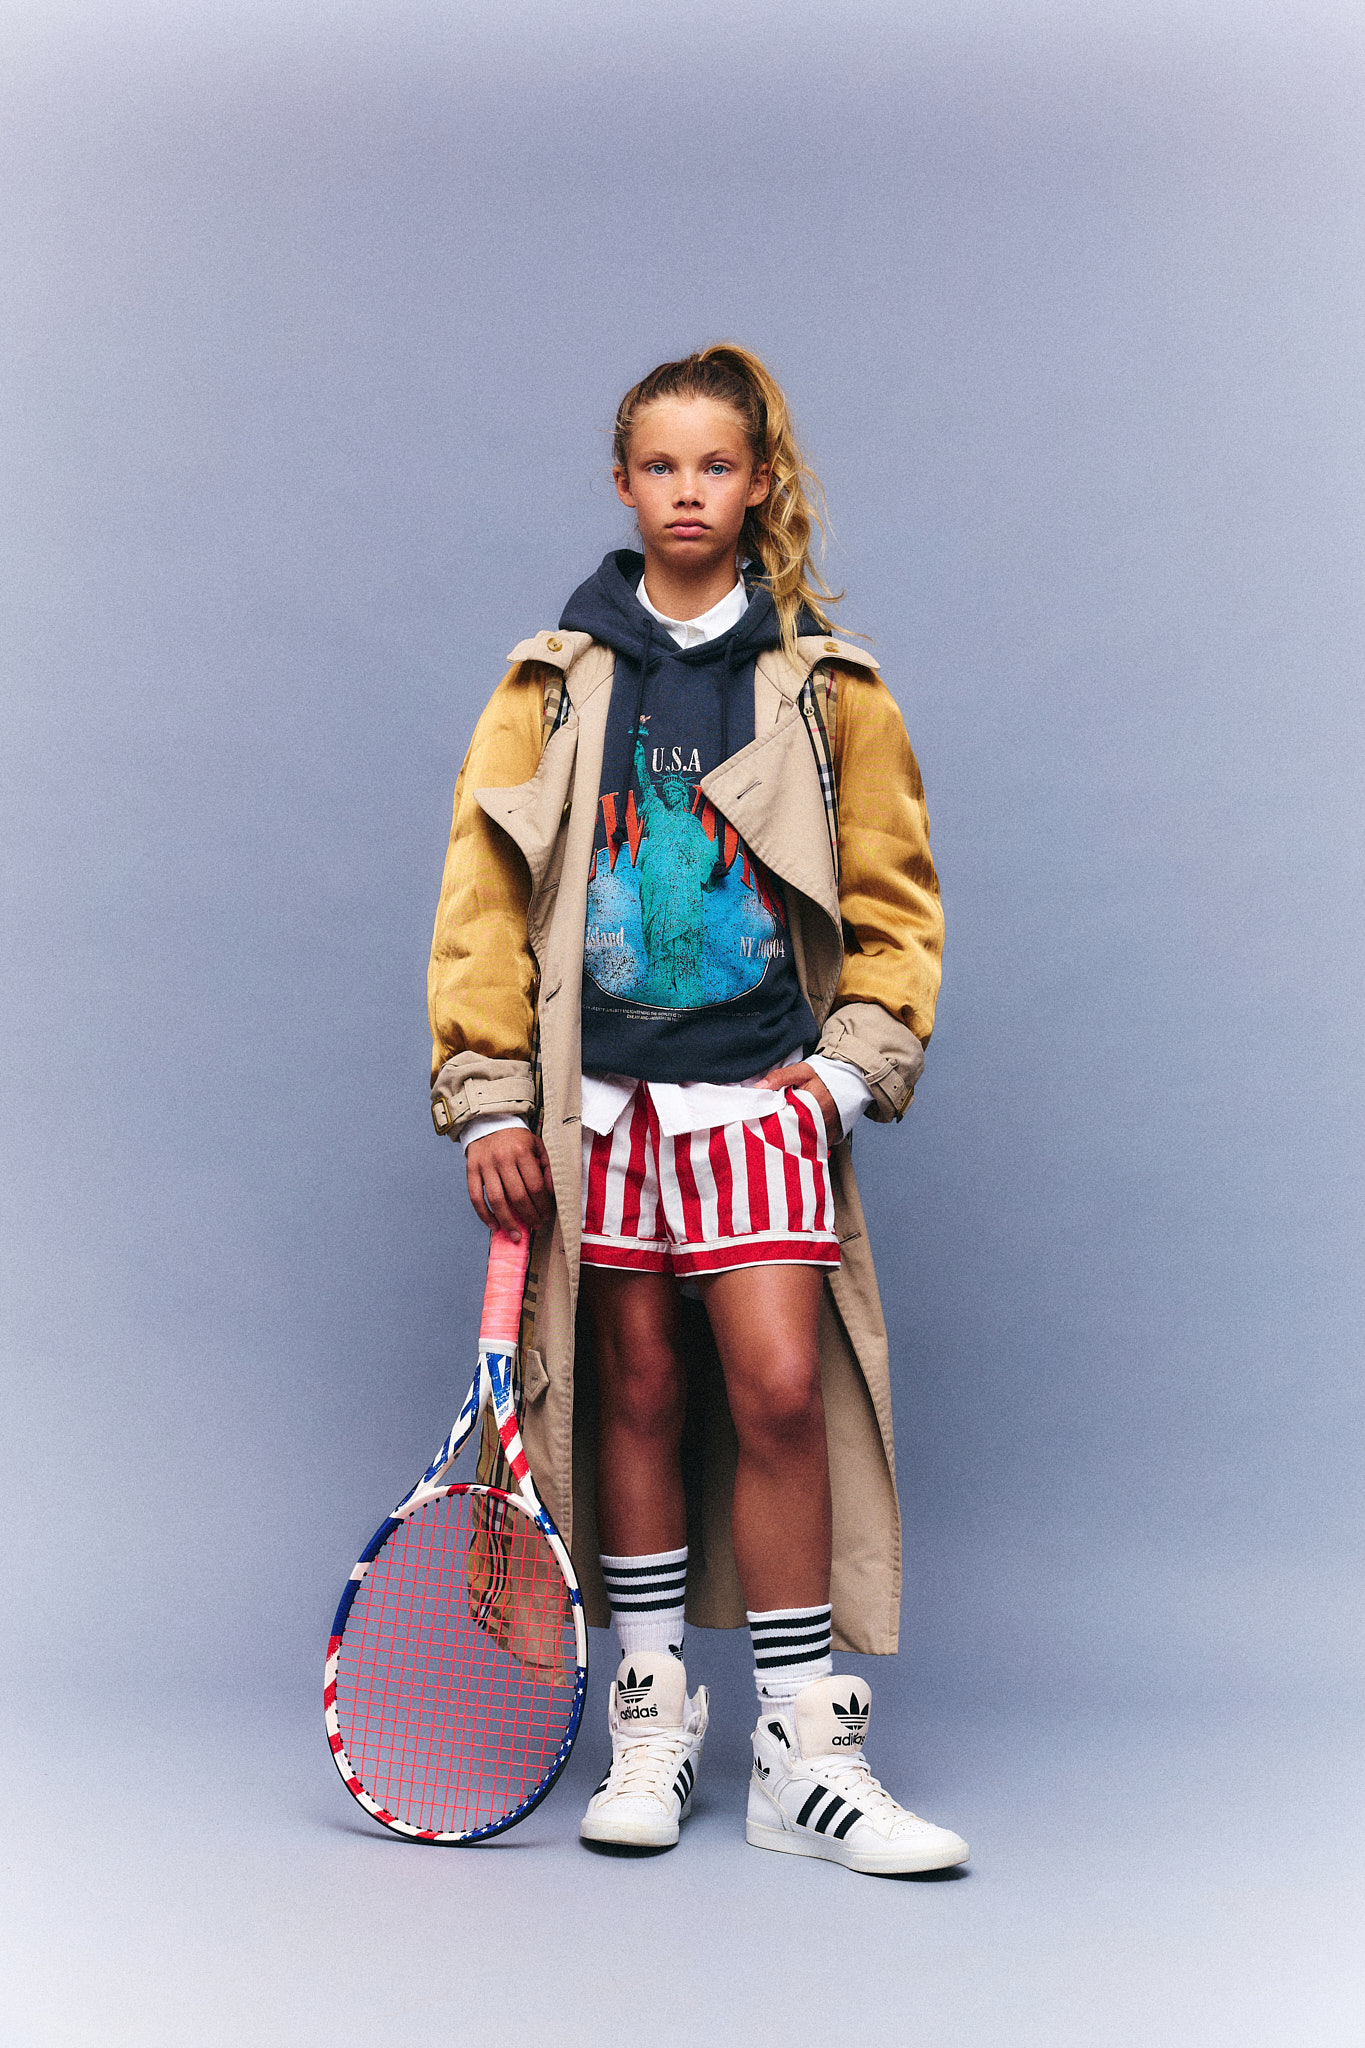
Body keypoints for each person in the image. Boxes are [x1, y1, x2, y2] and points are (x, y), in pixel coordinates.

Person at [428, 344, 968, 1875]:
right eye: (660, 466)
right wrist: (490, 1099)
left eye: (714, 466)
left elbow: (894, 901)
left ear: (756, 483)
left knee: (783, 1390)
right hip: (596, 1108)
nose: (687, 492)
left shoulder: (823, 684)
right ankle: (651, 1723)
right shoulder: (550, 684)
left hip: (757, 1101)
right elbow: (482, 901)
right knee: (640, 1394)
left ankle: (803, 1750)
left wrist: (844, 1075)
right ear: (622, 483)